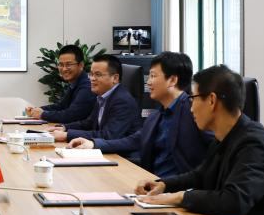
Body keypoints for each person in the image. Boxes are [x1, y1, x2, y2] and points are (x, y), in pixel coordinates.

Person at [135, 64, 264, 215]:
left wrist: (179, 197)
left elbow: (234, 202)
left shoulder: (254, 144)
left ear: (212, 100)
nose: (191, 108)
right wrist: (164, 184)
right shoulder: (225, 136)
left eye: (193, 99)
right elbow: (201, 175)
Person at [68, 52, 211, 179]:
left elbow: (215, 154)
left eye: (153, 76)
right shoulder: (157, 116)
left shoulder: (194, 112)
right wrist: (94, 144)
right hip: (153, 185)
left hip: (180, 191)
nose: (148, 82)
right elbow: (134, 140)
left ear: (172, 80)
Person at [52, 53, 140, 143]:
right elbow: (89, 123)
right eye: (91, 74)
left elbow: (108, 135)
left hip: (121, 151)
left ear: (115, 78)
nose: (92, 79)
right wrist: (64, 128)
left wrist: (67, 135)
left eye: (98, 74)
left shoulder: (122, 101)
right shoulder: (103, 95)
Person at [24, 44, 96, 124]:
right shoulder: (75, 82)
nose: (64, 69)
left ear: (81, 65)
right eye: (61, 65)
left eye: (68, 64)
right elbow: (61, 106)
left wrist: (43, 114)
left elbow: (71, 115)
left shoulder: (87, 86)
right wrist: (36, 110)